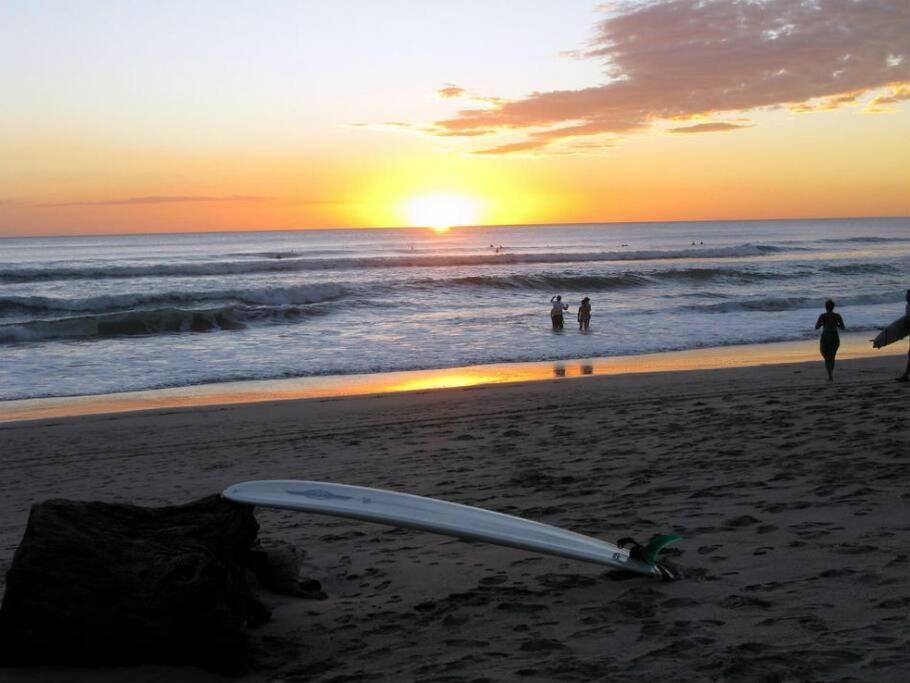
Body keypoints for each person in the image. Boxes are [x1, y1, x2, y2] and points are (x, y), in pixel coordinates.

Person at [815, 299, 845, 381]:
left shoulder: (823, 316)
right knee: (832, 356)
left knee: (825, 355)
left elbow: (816, 327)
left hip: (826, 336)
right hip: (835, 336)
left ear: (826, 307)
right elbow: (843, 327)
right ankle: (830, 376)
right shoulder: (837, 316)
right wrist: (837, 325)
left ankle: (830, 376)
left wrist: (822, 324)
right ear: (833, 307)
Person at [897, 289, 910, 382]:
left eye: (908, 295)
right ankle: (906, 375)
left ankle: (906, 375)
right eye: (906, 295)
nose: (906, 296)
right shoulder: (907, 306)